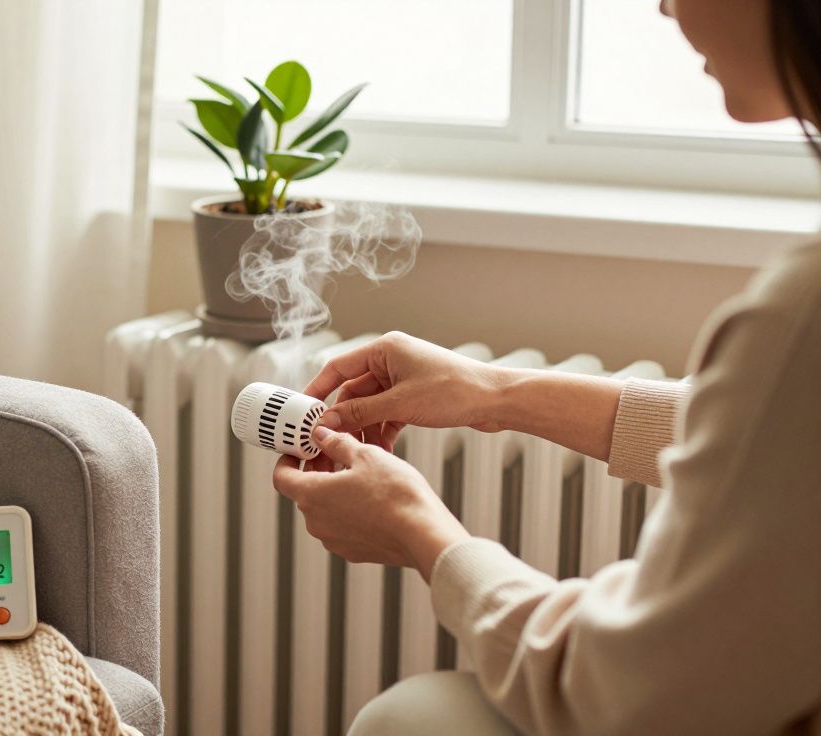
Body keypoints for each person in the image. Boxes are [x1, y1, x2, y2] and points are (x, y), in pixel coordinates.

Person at [271, 1, 821, 734]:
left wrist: (420, 533)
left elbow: (626, 693)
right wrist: (492, 392)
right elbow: (780, 444)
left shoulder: (803, 311)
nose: (662, 4)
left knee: (405, 720)